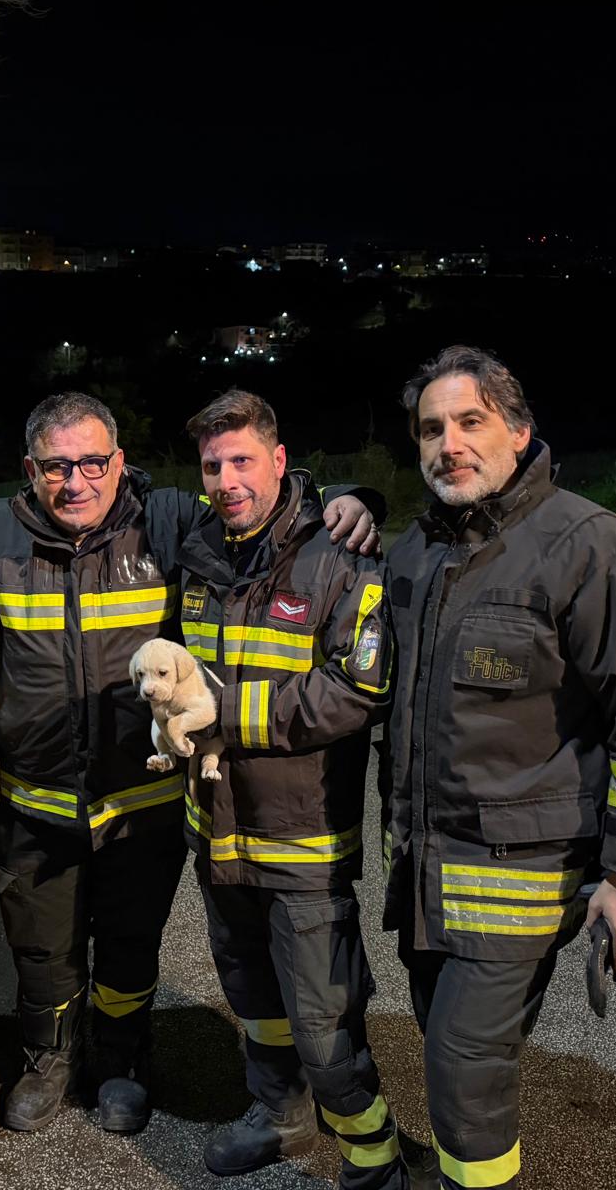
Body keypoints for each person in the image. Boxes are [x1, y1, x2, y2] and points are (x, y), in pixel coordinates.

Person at [0, 391, 379, 1135]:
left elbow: (256, 511)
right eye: (57, 466)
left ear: (119, 462)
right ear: (31, 470)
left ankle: (120, 1065)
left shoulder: (165, 522)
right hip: (38, 803)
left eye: (93, 462)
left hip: (141, 805)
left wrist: (348, 498)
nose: (77, 481)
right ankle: (48, 1060)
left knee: (129, 951)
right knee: (44, 956)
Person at [379, 346, 616, 1190]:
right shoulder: (412, 554)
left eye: (471, 421)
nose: (449, 442)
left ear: (519, 432)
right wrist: (339, 500)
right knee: (445, 1044)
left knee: (460, 1070)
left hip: (519, 883)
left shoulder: (589, 547)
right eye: (431, 428)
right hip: (425, 878)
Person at [175, 390, 414, 1190]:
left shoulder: (342, 555)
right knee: (251, 994)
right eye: (213, 464)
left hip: (303, 838)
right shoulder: (198, 547)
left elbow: (359, 690)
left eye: (243, 460)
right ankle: (278, 1116)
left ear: (281, 461)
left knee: (323, 1018)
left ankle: (374, 1155)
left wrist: (222, 714)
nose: (226, 478)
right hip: (215, 830)